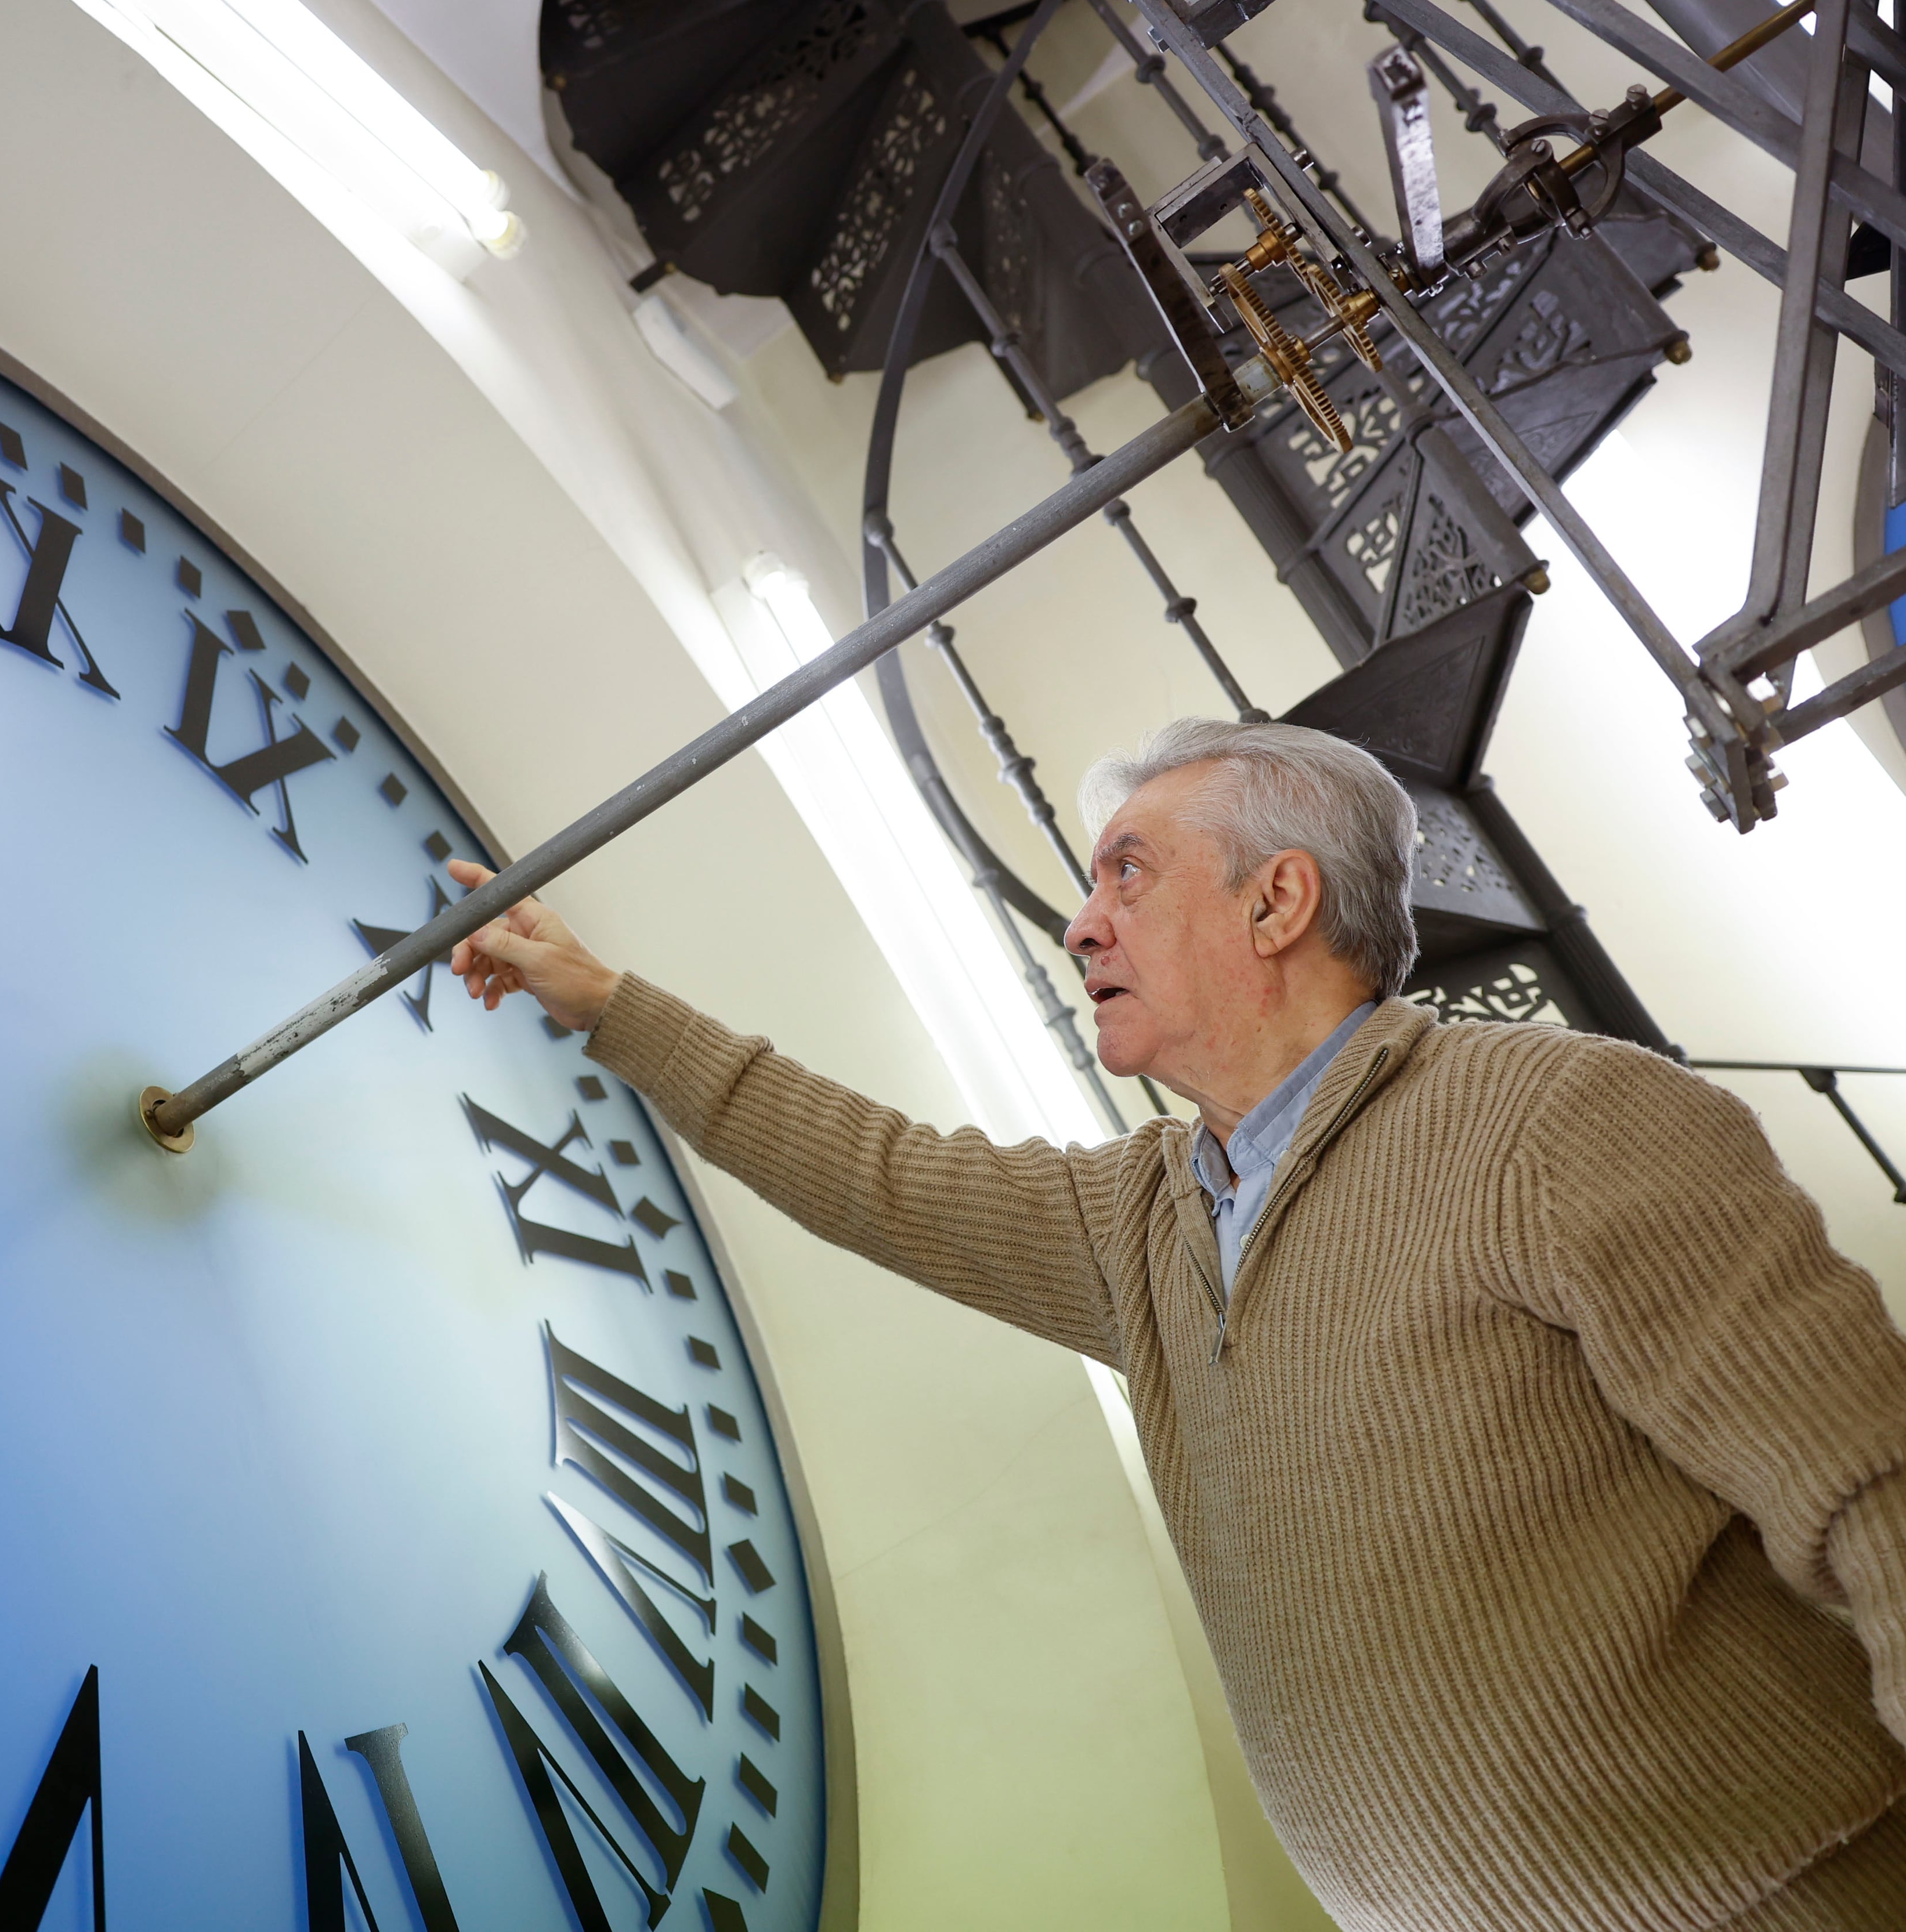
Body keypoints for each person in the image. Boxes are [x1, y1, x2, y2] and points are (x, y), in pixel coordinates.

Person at [447, 717, 1906, 1932]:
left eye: (1126, 875)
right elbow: (872, 1173)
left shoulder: (1549, 1115)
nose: (1080, 920)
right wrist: (607, 1005)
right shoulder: (1141, 1219)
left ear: (1276, 903)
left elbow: (1872, 1485)